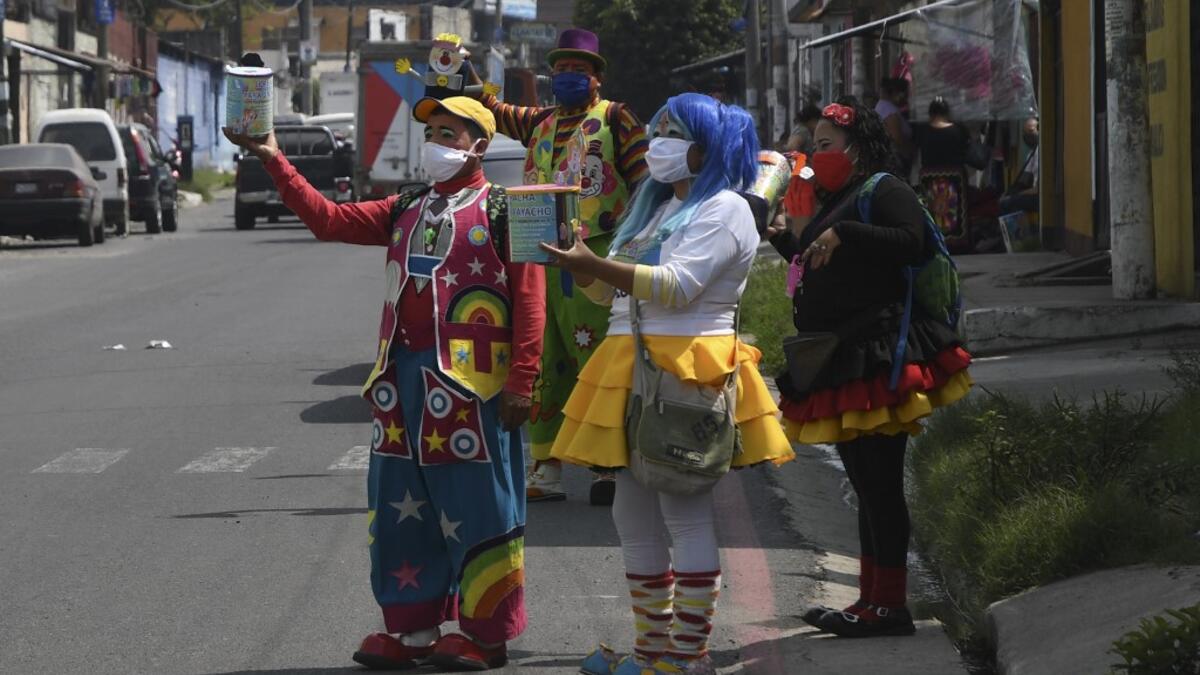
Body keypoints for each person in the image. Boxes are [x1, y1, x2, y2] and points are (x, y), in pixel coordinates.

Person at [223, 96, 545, 671]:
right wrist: (273, 156)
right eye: (434, 131)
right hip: (399, 384)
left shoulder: (507, 210)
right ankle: (413, 628)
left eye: (451, 132)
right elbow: (328, 219)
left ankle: (484, 632)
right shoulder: (406, 207)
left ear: (480, 144)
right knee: (401, 505)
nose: (438, 142)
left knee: (480, 505)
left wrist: (523, 379)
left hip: (473, 390)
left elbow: (529, 299)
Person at [542, 93, 795, 675]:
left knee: (684, 514)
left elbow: (679, 286)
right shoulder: (653, 207)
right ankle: (652, 650)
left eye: (670, 132)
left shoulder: (726, 208)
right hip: (629, 361)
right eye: (656, 130)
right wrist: (578, 263)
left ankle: (688, 656)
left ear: (705, 148)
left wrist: (595, 263)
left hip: (686, 367)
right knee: (630, 515)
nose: (657, 143)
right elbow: (610, 294)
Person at [766, 98, 972, 638]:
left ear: (857, 148)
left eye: (826, 145)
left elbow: (915, 242)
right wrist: (786, 240)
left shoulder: (886, 189)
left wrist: (850, 233)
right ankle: (869, 600)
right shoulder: (841, 196)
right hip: (843, 354)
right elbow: (820, 259)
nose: (816, 154)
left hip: (881, 354)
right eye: (814, 146)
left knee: (880, 484)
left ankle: (891, 605)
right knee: (863, 482)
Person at [472, 28, 649, 506]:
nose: (568, 76)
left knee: (597, 362)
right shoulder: (540, 122)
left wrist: (637, 246)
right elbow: (492, 109)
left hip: (596, 257)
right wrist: (461, 68)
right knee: (543, 361)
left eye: (579, 70)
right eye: (561, 69)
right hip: (538, 257)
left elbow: (645, 184)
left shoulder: (616, 118)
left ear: (597, 77)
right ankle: (545, 465)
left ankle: (605, 466)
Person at [917, 96, 972, 245]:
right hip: (955, 181)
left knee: (932, 211)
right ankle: (959, 242)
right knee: (955, 212)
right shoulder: (958, 130)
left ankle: (934, 241)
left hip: (930, 181)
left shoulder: (922, 131)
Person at [999, 116, 1039, 215]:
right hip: (1033, 192)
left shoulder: (1040, 152)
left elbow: (1038, 189)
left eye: (1031, 130)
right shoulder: (1032, 153)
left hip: (1040, 196)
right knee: (1005, 198)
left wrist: (1016, 195)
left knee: (1008, 203)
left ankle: (1015, 231)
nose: (1027, 135)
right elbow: (1023, 180)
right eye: (1025, 133)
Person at [875, 78, 914, 171]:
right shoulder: (889, 110)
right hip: (896, 160)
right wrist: (908, 153)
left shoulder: (884, 107)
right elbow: (896, 137)